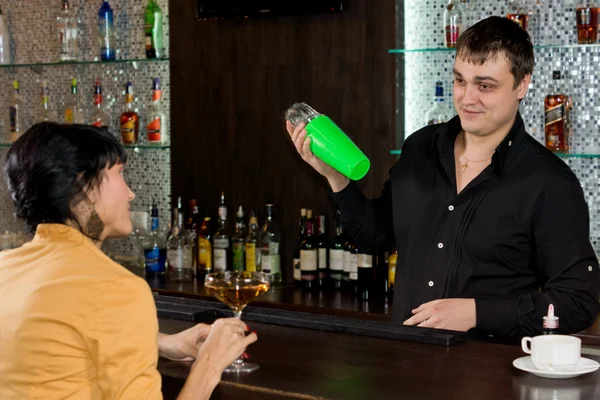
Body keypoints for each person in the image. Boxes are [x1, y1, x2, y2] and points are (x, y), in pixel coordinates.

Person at [287, 16, 599, 339]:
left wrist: (476, 312)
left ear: (522, 85)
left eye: (485, 85)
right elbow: (374, 234)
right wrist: (335, 176)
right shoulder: (420, 149)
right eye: (460, 81)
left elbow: (578, 302)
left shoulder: (549, 182)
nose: (467, 98)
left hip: (488, 379)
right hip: (408, 367)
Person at [0, 122, 257, 399]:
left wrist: (156, 342)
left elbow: (49, 336)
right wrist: (210, 363)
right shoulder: (116, 288)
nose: (130, 193)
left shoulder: (6, 268)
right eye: (120, 174)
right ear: (84, 187)